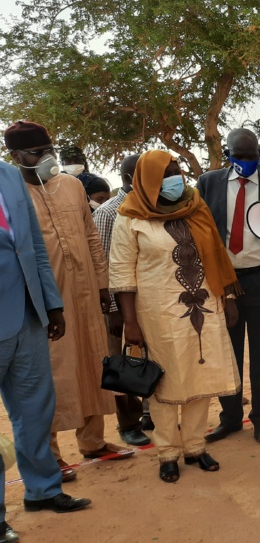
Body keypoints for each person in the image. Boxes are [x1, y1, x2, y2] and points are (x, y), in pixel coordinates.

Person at [4, 121, 129, 475]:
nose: (46, 158)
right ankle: (51, 454)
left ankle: (93, 442)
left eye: (49, 151)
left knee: (92, 362)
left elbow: (91, 237)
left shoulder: (72, 186)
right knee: (53, 373)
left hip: (85, 291)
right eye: (37, 153)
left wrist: (103, 286)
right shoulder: (12, 194)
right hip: (45, 299)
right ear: (16, 156)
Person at [110, 150, 241, 482]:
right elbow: (122, 273)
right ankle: (167, 452)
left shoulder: (194, 205)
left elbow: (215, 254)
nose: (174, 179)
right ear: (147, 180)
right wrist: (130, 322)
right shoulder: (131, 216)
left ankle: (195, 446)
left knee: (201, 375)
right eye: (165, 174)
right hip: (156, 314)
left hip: (205, 307)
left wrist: (228, 297)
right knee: (164, 382)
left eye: (176, 172)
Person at [0, 158, 92, 543]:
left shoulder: (8, 175)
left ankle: (42, 490)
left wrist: (52, 305)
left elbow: (34, 245)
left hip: (28, 317)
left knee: (36, 409)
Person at [197, 128, 260, 445]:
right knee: (227, 354)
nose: (246, 162)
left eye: (252, 156)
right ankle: (231, 418)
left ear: (259, 154)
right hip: (224, 280)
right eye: (239, 156)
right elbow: (202, 231)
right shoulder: (208, 183)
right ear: (227, 154)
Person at [92, 154, 150, 447]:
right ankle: (128, 423)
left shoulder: (153, 206)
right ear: (128, 179)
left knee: (151, 358)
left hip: (149, 297)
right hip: (119, 303)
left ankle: (151, 413)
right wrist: (114, 311)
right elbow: (103, 263)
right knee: (120, 362)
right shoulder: (108, 212)